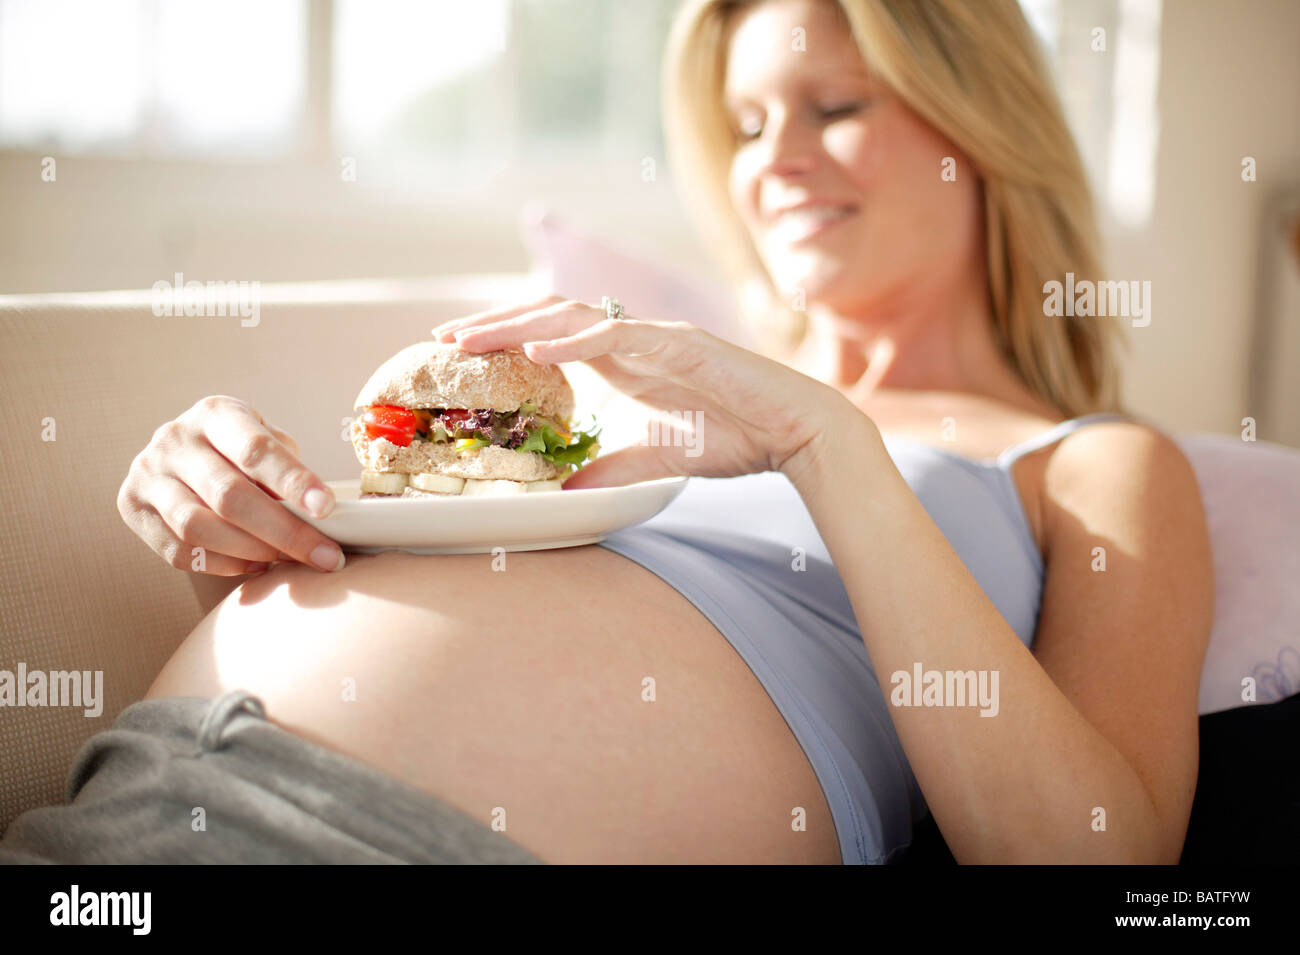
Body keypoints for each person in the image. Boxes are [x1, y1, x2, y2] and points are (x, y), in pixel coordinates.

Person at [1, 0, 1212, 865]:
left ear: (981, 125)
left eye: (830, 107)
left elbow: (1092, 855)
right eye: (742, 127)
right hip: (150, 793)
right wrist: (231, 516)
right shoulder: (626, 397)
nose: (773, 163)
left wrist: (828, 444)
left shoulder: (1094, 462)